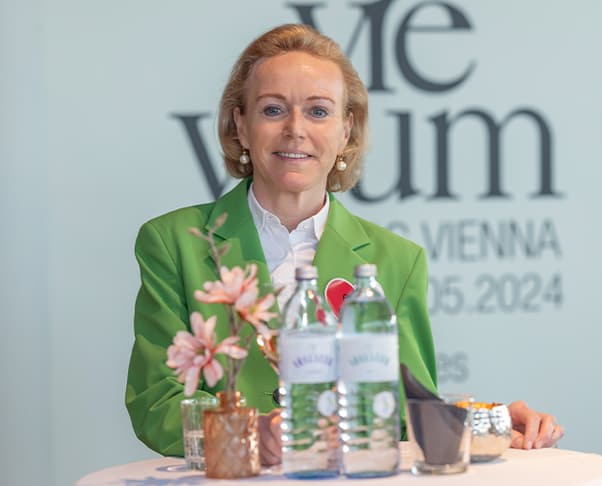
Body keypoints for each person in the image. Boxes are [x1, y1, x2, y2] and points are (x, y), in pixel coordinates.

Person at [126, 23, 563, 466]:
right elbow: (155, 403)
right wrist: (249, 432)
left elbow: (406, 414)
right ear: (240, 125)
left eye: (318, 112)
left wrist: (493, 421)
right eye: (273, 110)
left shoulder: (397, 260)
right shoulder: (174, 242)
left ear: (346, 131)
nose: (295, 129)